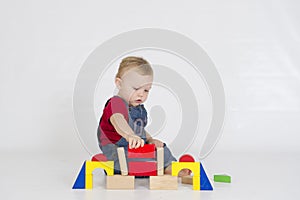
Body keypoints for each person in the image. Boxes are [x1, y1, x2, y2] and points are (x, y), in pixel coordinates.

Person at [97, 56, 190, 176]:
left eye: (146, 90)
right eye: (136, 88)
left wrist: (150, 139)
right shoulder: (116, 103)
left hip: (133, 145)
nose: (141, 94)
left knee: (160, 148)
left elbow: (139, 130)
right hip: (116, 150)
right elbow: (118, 120)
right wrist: (129, 135)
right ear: (119, 84)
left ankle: (170, 166)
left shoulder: (138, 108)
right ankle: (155, 169)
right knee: (138, 161)